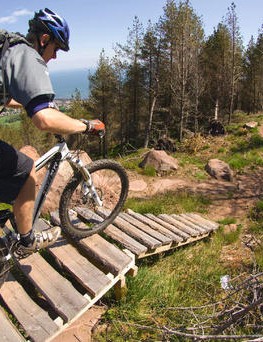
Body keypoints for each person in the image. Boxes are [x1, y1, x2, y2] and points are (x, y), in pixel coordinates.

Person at [0, 8, 105, 257]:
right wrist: (86, 125)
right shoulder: (28, 56)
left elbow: (8, 97)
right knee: (27, 172)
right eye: (56, 49)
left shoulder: (8, 46)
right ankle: (27, 240)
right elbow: (44, 121)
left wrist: (29, 103)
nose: (55, 57)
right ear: (44, 39)